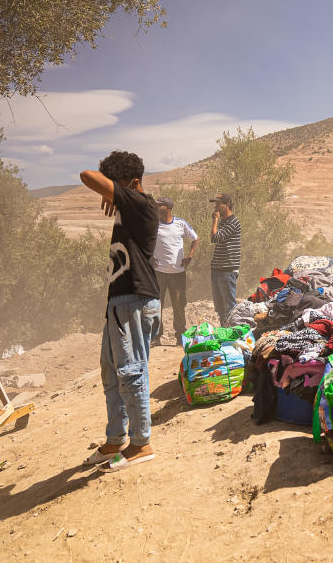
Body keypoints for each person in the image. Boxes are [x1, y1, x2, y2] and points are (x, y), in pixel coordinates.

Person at [79, 151, 160, 472]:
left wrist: (112, 190)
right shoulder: (130, 208)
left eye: (116, 185)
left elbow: (86, 175)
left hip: (135, 300)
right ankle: (116, 439)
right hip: (121, 301)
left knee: (130, 371)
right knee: (111, 371)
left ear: (133, 183)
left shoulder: (142, 204)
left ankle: (141, 444)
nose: (109, 192)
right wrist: (115, 193)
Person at [152, 197, 198, 344]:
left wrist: (189, 256)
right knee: (156, 304)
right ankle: (156, 336)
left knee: (178, 305)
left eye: (159, 205)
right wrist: (149, 257)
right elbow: (146, 241)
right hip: (158, 272)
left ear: (167, 207)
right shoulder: (153, 224)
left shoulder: (180, 223)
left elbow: (195, 238)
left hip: (177, 273)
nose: (157, 207)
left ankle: (180, 336)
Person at [209, 192, 241, 325]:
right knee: (220, 307)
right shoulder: (224, 222)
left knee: (229, 307)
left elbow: (215, 238)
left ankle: (231, 334)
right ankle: (224, 333)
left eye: (218, 204)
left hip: (227, 270)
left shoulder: (233, 222)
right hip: (218, 269)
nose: (216, 207)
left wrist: (215, 221)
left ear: (227, 205)